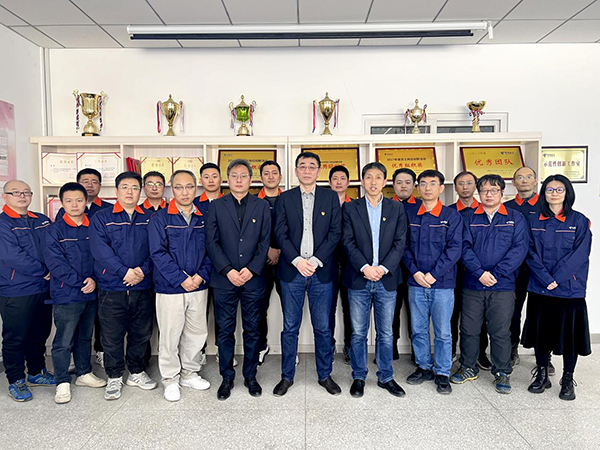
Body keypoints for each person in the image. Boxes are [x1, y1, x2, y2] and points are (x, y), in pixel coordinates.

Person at [451, 174, 528, 395]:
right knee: (469, 329)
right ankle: (468, 366)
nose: (489, 194)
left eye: (494, 190)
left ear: (502, 193)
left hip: (502, 285)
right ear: (479, 193)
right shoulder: (468, 217)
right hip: (473, 284)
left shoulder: (515, 218)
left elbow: (519, 249)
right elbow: (463, 247)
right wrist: (479, 273)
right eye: (484, 190)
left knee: (500, 331)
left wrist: (496, 273)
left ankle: (502, 371)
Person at [273, 152, 342, 397]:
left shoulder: (330, 197)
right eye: (302, 166)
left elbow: (335, 233)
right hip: (292, 272)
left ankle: (325, 375)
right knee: (290, 327)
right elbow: (280, 232)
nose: (307, 170)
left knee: (322, 328)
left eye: (312, 166)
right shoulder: (285, 198)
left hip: (321, 272)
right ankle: (286, 376)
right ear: (296, 171)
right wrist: (297, 260)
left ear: (319, 171)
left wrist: (313, 261)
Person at [522, 174, 592, 401]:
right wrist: (545, 278)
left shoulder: (579, 221)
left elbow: (580, 254)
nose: (554, 194)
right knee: (541, 335)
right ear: (543, 194)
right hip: (540, 288)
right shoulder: (533, 220)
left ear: (567, 193)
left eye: (559, 189)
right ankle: (542, 374)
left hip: (570, 289)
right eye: (549, 190)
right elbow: (528, 252)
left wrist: (557, 278)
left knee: (570, 338)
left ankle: (568, 378)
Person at [205, 159, 271, 400]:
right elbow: (211, 242)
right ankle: (227, 377)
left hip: (253, 279)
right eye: (234, 175)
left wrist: (251, 269)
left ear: (251, 179)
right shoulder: (216, 206)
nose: (239, 179)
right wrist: (228, 270)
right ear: (228, 179)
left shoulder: (261, 206)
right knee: (225, 331)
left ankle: (251, 376)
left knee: (252, 330)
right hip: (225, 280)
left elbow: (265, 241)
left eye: (244, 175)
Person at [90, 171, 157, 401]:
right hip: (112, 287)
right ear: (116, 190)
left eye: (135, 188)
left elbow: (157, 249)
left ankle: (136, 372)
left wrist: (142, 271)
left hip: (142, 286)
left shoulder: (150, 218)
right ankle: (114, 375)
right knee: (111, 335)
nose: (130, 192)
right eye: (125, 187)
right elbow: (100, 251)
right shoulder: (101, 217)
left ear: (140, 191)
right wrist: (124, 272)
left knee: (141, 332)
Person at [342, 162, 407, 398]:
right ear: (362, 181)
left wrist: (383, 268)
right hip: (359, 278)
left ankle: (386, 376)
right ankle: (359, 376)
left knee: (386, 333)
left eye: (378, 177)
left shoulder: (396, 208)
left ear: (384, 181)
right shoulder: (351, 208)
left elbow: (400, 242)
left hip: (386, 279)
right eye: (368, 177)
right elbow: (347, 241)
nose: (373, 182)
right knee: (358, 332)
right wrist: (365, 268)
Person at [149, 170, 212, 402]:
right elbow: (158, 253)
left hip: (198, 286)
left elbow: (213, 250)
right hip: (170, 288)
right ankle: (170, 379)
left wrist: (200, 276)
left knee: (196, 333)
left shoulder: (205, 217)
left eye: (189, 187)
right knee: (170, 335)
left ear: (196, 188)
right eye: (179, 187)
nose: (184, 192)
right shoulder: (160, 219)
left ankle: (189, 373)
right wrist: (181, 278)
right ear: (171, 189)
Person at [44, 183, 106, 404]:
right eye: (69, 201)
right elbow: (56, 263)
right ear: (62, 203)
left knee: (85, 336)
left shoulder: (94, 227)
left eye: (79, 200)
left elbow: (102, 256)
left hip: (90, 291)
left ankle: (83, 373)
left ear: (86, 201)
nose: (74, 205)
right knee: (63, 339)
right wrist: (81, 282)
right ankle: (62, 381)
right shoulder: (54, 230)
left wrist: (94, 279)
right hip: (67, 294)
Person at [404, 170, 462, 395]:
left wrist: (434, 275)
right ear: (418, 188)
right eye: (423, 184)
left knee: (443, 332)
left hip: (442, 284)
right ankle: (424, 367)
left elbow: (454, 249)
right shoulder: (410, 214)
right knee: (418, 330)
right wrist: (416, 272)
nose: (427, 188)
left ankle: (442, 372)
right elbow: (403, 247)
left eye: (432, 183)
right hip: (416, 282)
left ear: (441, 188)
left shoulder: (451, 216)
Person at [0, 180, 55, 402]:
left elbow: (54, 245)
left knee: (39, 333)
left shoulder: (41, 220)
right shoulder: (3, 223)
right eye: (16, 192)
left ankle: (36, 372)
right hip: (16, 289)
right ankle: (16, 380)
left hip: (44, 287)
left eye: (26, 192)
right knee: (15, 337)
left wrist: (54, 268)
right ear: (5, 196)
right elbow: (12, 256)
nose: (22, 196)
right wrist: (44, 270)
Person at [56, 168, 112, 367]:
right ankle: (73, 359)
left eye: (94, 181)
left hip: (101, 276)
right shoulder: (64, 213)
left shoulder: (108, 210)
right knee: (74, 324)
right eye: (85, 181)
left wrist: (97, 275)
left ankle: (100, 351)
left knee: (102, 319)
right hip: (74, 280)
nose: (90, 185)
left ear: (100, 185)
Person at [448, 171, 491, 370]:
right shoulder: (448, 212)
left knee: (479, 315)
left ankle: (481, 353)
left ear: (476, 186)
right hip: (453, 271)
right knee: (451, 314)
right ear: (455, 187)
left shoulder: (486, 211)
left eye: (469, 183)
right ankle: (451, 351)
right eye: (460, 183)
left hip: (477, 272)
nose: (465, 187)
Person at [504, 166, 542, 368]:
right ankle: (512, 349)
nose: (524, 180)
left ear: (535, 181)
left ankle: (543, 355)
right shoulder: (507, 208)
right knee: (513, 311)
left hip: (539, 269)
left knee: (540, 312)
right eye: (520, 177)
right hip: (514, 269)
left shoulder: (546, 205)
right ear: (513, 182)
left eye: (528, 177)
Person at [193, 162, 225, 366]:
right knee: (199, 313)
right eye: (206, 176)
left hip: (224, 266)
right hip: (200, 267)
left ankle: (224, 350)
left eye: (215, 176)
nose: (211, 180)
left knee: (223, 313)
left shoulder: (230, 201)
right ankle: (200, 351)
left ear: (221, 179)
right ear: (201, 180)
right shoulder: (194, 203)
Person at [390, 168, 421, 362]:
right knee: (391, 311)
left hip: (415, 268)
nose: (403, 186)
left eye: (408, 182)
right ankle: (390, 348)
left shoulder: (421, 206)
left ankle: (417, 352)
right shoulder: (385, 205)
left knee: (415, 311)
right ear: (393, 185)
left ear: (414, 185)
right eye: (399, 182)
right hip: (391, 268)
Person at [256, 160, 283, 366]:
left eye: (275, 173)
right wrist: (267, 250)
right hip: (260, 262)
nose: (271, 176)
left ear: (280, 177)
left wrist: (281, 251)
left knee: (290, 308)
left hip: (286, 261)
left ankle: (290, 348)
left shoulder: (289, 199)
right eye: (266, 173)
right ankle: (261, 346)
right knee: (258, 307)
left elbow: (296, 229)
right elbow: (249, 234)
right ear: (261, 178)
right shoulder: (253, 201)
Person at [329, 165, 352, 364]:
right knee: (327, 309)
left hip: (351, 264)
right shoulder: (323, 204)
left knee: (350, 308)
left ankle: (350, 346)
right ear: (329, 182)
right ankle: (328, 345)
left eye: (342, 178)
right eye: (335, 178)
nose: (338, 182)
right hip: (327, 263)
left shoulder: (356, 206)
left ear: (348, 182)